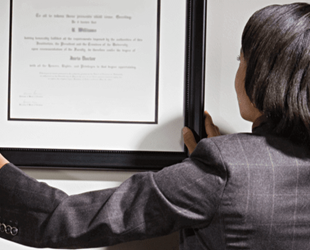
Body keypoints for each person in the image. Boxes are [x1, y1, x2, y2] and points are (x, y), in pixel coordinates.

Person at [1, 2, 310, 249]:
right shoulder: (229, 165)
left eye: (240, 59)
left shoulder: (224, 168)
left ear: (262, 73)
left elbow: (65, 220)